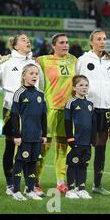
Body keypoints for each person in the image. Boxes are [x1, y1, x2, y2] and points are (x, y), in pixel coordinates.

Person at [76, 30, 110, 196]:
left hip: (105, 109)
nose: (102, 42)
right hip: (87, 109)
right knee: (84, 147)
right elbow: (76, 82)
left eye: (104, 39)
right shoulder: (83, 60)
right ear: (91, 42)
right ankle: (79, 184)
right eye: (99, 39)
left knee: (101, 147)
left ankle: (97, 184)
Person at [0, 32, 42, 196]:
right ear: (15, 46)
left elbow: (40, 86)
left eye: (28, 39)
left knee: (30, 146)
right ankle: (10, 183)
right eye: (23, 40)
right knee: (11, 146)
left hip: (32, 111)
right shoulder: (6, 62)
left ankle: (29, 185)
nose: (28, 41)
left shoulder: (34, 63)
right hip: (12, 109)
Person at [35, 33, 78, 195]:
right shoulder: (43, 60)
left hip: (67, 111)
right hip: (50, 109)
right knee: (43, 147)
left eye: (67, 42)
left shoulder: (73, 60)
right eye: (61, 42)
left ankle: (61, 182)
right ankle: (35, 180)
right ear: (53, 46)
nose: (65, 45)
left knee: (63, 147)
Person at [10, 64, 47, 201]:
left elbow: (43, 116)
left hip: (36, 136)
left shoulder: (40, 94)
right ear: (24, 76)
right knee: (19, 162)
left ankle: (30, 190)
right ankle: (15, 191)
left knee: (33, 163)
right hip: (23, 136)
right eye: (31, 73)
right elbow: (14, 116)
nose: (34, 76)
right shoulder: (19, 93)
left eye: (36, 74)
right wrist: (17, 135)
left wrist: (44, 134)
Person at [65, 75, 96, 199]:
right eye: (81, 85)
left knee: (84, 164)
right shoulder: (71, 102)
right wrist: (70, 139)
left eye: (86, 85)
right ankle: (70, 189)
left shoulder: (90, 104)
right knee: (73, 163)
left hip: (87, 142)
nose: (84, 87)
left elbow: (93, 124)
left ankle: (81, 188)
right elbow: (67, 122)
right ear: (74, 87)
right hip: (76, 141)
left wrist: (93, 139)